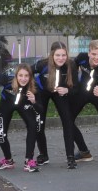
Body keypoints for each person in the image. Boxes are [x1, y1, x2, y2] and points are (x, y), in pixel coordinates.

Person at [0, 64, 42, 172]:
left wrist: (34, 101)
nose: (23, 79)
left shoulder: (34, 87)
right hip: (6, 105)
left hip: (24, 106)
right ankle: (8, 160)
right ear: (16, 76)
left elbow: (40, 109)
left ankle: (29, 161)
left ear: (30, 77)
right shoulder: (6, 81)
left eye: (26, 76)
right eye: (20, 75)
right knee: (1, 133)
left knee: (33, 126)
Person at [32, 41, 79, 169]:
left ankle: (70, 156)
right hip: (43, 92)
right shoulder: (42, 64)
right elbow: (25, 74)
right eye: (58, 55)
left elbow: (77, 88)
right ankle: (43, 154)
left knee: (68, 121)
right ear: (52, 55)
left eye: (63, 55)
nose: (61, 58)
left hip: (61, 92)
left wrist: (67, 90)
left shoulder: (71, 65)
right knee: (39, 122)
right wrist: (31, 90)